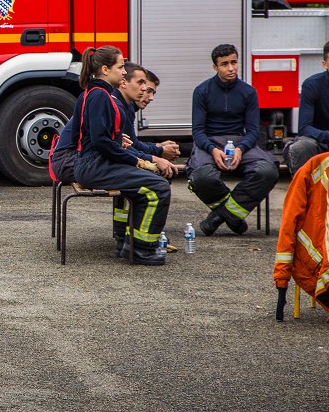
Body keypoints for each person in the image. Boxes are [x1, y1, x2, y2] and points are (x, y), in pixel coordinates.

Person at [73, 46, 172, 265]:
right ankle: (142, 249)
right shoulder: (99, 96)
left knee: (144, 187)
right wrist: (137, 161)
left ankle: (127, 243)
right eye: (120, 67)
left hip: (94, 163)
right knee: (158, 188)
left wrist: (119, 143)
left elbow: (103, 137)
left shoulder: (99, 93)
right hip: (93, 166)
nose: (124, 72)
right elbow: (100, 141)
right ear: (106, 70)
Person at [188, 44, 279, 235]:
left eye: (234, 62)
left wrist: (240, 149)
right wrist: (212, 149)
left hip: (240, 142)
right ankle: (232, 217)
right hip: (210, 143)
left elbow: (254, 130)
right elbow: (197, 131)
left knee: (268, 171)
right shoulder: (201, 91)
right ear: (215, 67)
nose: (231, 68)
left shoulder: (248, 92)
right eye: (224, 64)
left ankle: (220, 216)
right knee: (202, 177)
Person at [283, 40, 329, 172]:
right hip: (318, 141)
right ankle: (303, 191)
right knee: (301, 146)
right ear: (325, 64)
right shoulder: (312, 85)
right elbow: (304, 128)